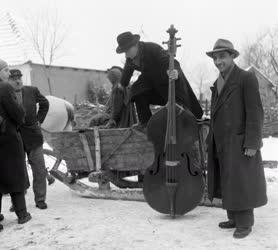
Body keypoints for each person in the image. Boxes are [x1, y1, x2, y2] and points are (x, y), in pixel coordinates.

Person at [206, 39, 267, 238]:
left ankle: (245, 223)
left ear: (232, 56)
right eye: (215, 58)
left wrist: (252, 142)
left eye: (222, 57)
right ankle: (233, 217)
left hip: (240, 141)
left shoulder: (246, 78)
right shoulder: (218, 83)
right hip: (222, 141)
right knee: (228, 180)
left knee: (242, 180)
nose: (218, 61)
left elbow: (255, 112)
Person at [116, 32, 203, 131]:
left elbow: (170, 60)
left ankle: (187, 122)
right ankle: (145, 123)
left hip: (169, 82)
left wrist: (175, 71)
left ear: (135, 45)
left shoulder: (152, 48)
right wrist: (122, 84)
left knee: (181, 112)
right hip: (153, 84)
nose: (126, 54)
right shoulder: (130, 58)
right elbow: (127, 72)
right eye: (124, 52)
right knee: (136, 90)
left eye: (127, 50)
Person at [9, 69, 50, 210]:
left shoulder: (32, 90)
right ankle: (17, 203)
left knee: (39, 169)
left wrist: (39, 120)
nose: (17, 80)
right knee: (17, 171)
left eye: (19, 77)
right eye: (13, 78)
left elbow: (45, 104)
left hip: (33, 136)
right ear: (8, 80)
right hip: (14, 137)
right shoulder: (4, 94)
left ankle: (40, 199)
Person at [0, 60, 31, 231]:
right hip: (8, 138)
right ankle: (22, 214)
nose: (8, 73)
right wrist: (19, 121)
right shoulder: (5, 88)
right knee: (16, 175)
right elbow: (17, 112)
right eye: (5, 70)